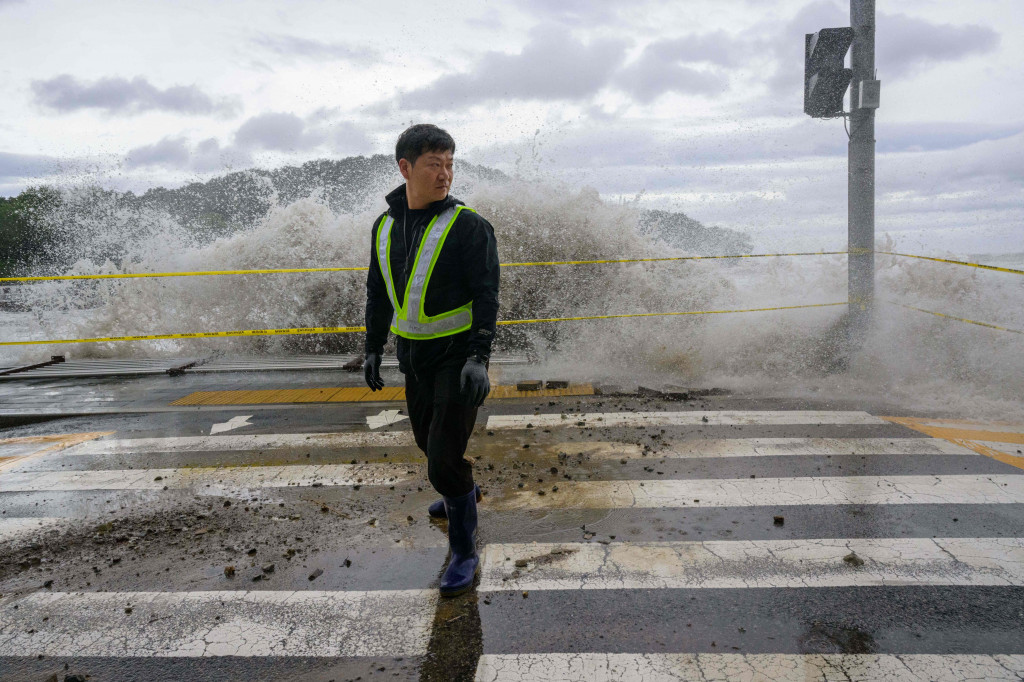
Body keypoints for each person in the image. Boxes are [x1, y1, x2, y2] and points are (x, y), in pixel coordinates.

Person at [363, 123, 500, 597]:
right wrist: (370, 347)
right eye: (434, 165)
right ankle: (459, 491)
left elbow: (487, 295)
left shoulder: (469, 226)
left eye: (449, 164)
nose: (445, 175)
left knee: (441, 457)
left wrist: (479, 356)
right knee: (429, 444)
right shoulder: (384, 227)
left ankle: (464, 550)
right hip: (414, 357)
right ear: (405, 168)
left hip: (459, 358)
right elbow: (377, 294)